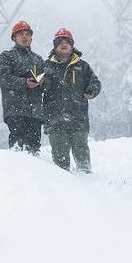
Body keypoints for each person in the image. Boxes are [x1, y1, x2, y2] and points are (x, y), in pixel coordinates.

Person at [42, 28, 101, 173]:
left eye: (67, 41)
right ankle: (63, 189)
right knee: (60, 163)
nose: (64, 44)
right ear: (55, 45)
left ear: (72, 45)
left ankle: (88, 182)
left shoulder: (83, 66)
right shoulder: (46, 66)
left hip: (78, 120)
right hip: (55, 120)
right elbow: (37, 86)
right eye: (60, 41)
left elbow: (95, 82)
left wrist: (91, 90)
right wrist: (42, 83)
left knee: (82, 158)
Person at [0, 20, 46, 153]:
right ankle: (17, 172)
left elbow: (48, 84)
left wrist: (43, 82)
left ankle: (32, 173)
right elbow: (3, 78)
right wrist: (24, 82)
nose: (24, 37)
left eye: (27, 34)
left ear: (31, 37)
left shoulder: (38, 60)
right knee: (18, 148)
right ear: (14, 38)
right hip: (15, 109)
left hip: (35, 111)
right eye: (21, 34)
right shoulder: (7, 56)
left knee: (34, 149)